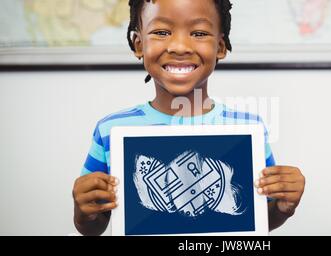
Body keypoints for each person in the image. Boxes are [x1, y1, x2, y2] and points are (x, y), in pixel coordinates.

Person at [72, 0, 305, 236]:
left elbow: (256, 218)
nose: (180, 46)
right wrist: (83, 212)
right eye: (162, 32)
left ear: (220, 47)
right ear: (139, 45)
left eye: (199, 33)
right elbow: (93, 225)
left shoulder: (248, 129)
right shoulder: (110, 129)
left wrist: (282, 208)